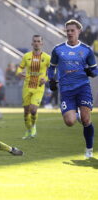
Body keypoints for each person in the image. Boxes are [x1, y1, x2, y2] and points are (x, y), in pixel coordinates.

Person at [48, 19, 98, 158]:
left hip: (83, 88)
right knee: (70, 122)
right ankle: (76, 114)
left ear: (79, 31)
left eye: (72, 30)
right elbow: (51, 67)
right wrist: (51, 79)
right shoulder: (58, 50)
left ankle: (89, 150)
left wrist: (90, 72)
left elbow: (95, 70)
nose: (69, 33)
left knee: (86, 120)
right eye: (67, 30)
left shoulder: (87, 50)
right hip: (66, 90)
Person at [16, 35, 51, 139]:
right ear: (32, 43)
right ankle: (28, 130)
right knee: (26, 111)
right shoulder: (26, 56)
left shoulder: (47, 57)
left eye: (38, 41)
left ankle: (34, 126)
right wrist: (18, 73)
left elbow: (52, 71)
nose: (36, 43)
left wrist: (47, 78)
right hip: (27, 86)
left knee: (33, 109)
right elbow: (20, 68)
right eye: (35, 41)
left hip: (39, 87)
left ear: (42, 43)